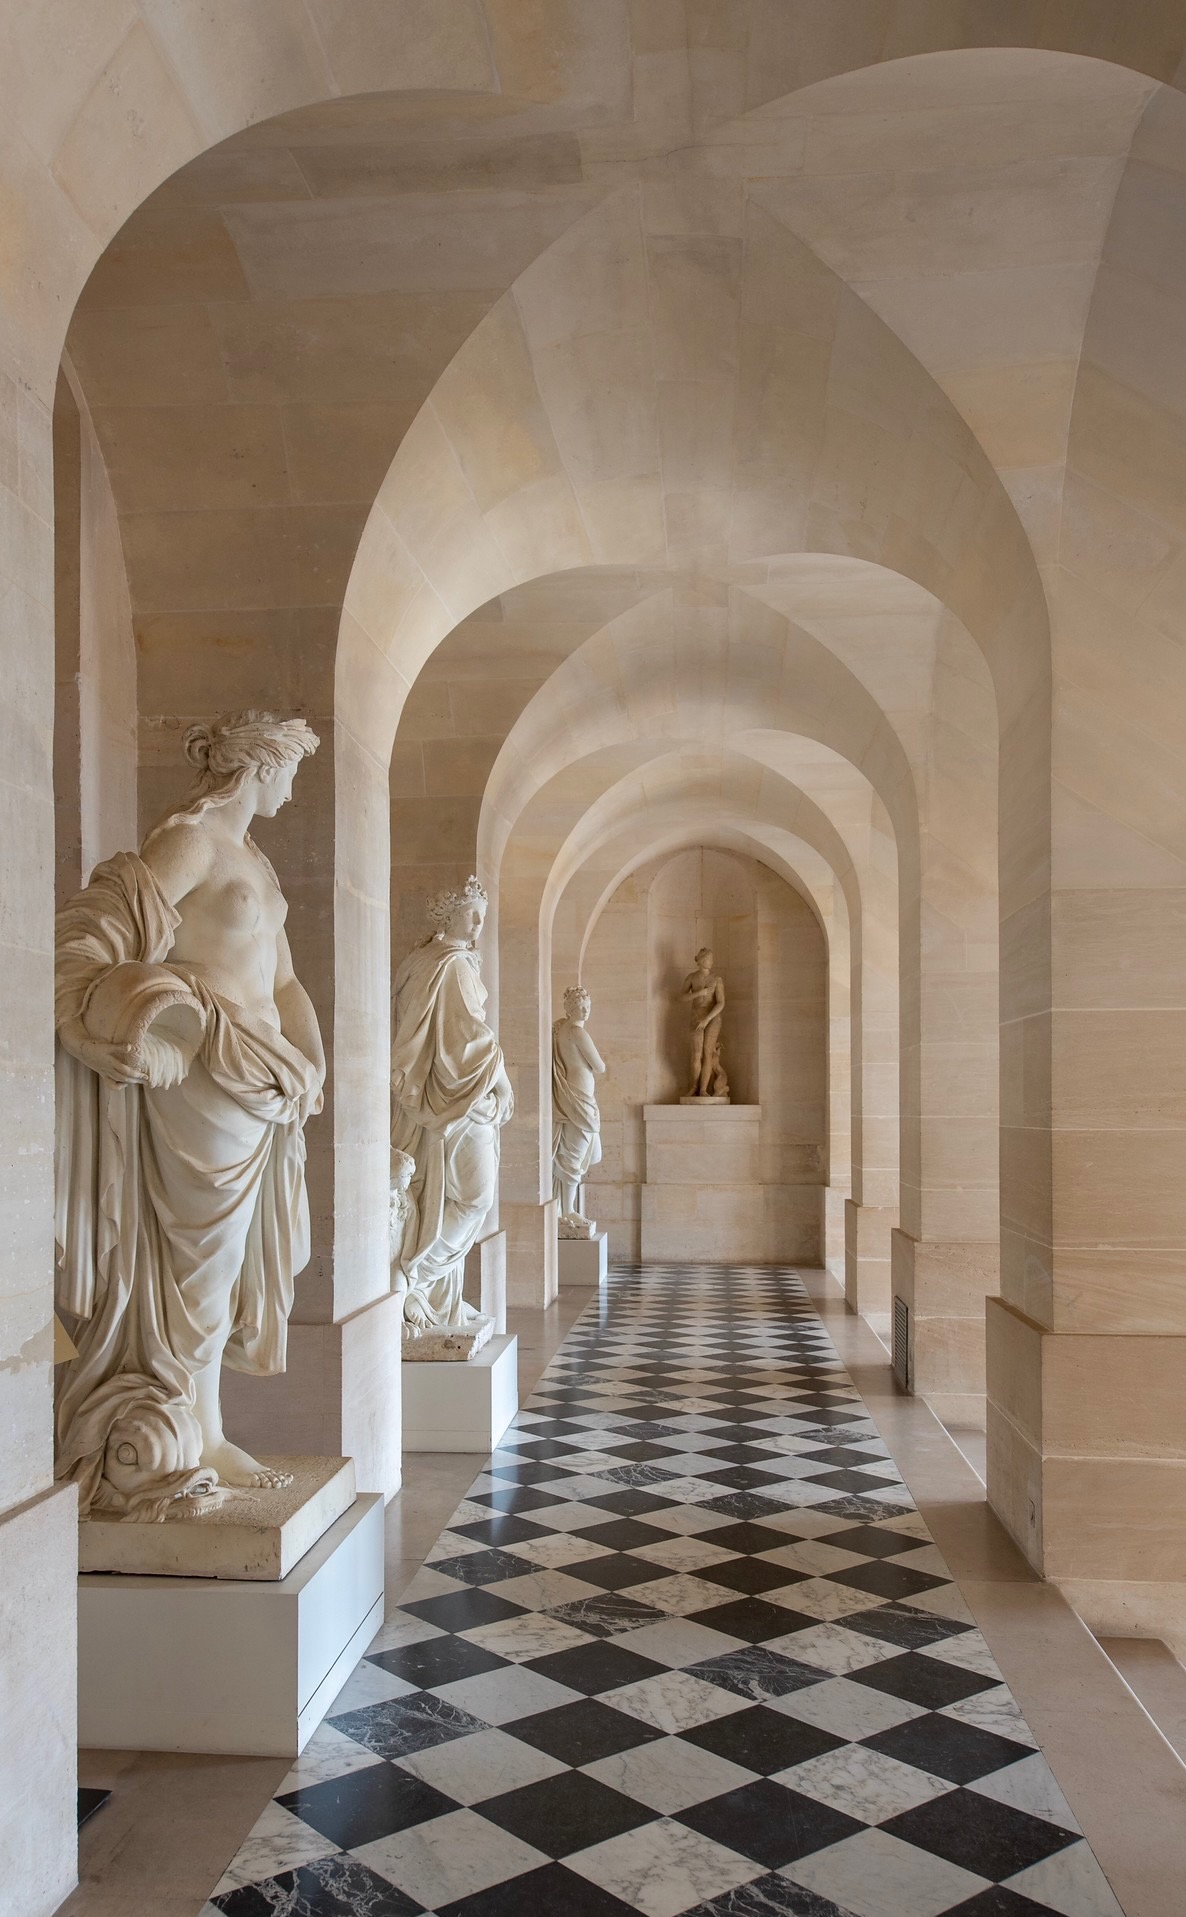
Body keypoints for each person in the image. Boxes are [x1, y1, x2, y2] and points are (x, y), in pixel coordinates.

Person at [54, 712, 324, 1519]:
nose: (292, 786)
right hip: (202, 1077)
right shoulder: (193, 840)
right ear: (259, 766)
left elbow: (284, 984)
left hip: (264, 1086)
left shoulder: (261, 867)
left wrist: (309, 1060)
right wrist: (131, 1015)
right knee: (191, 1272)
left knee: (227, 1266)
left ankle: (204, 1425)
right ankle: (176, 1427)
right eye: (289, 769)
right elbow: (104, 924)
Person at [390, 877, 512, 1344]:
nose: (480, 923)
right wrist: (500, 1078)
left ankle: (436, 1296)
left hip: (432, 1100)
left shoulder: (419, 961)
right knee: (473, 1197)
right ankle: (414, 1283)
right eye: (472, 913)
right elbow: (470, 1042)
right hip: (459, 1101)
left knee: (439, 1196)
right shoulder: (453, 964)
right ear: (448, 916)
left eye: (482, 913)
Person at [552, 984, 605, 1233]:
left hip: (574, 1094)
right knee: (574, 1155)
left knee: (575, 1151)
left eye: (587, 1006)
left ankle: (566, 1209)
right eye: (579, 1007)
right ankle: (568, 1210)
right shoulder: (576, 1032)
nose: (584, 1011)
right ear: (569, 1009)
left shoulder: (561, 1028)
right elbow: (600, 1065)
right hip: (579, 1097)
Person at [680, 946, 726, 1097]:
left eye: (711, 959)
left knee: (708, 1053)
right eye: (709, 959)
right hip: (696, 1016)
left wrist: (707, 1019)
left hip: (712, 1018)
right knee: (696, 1054)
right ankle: (694, 1086)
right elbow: (681, 997)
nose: (711, 962)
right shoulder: (692, 977)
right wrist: (698, 993)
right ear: (701, 961)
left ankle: (703, 1089)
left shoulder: (716, 979)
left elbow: (720, 1003)